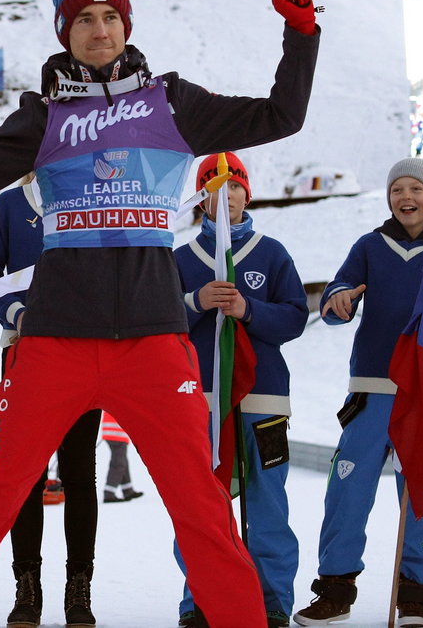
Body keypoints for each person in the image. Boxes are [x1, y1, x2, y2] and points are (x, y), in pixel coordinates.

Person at [0, 0, 320, 627]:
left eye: (110, 17)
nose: (99, 30)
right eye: (84, 20)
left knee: (201, 508)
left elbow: (280, 115)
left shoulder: (171, 104)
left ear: (127, 27)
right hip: (56, 339)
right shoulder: (44, 115)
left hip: (153, 340)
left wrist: (301, 34)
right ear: (65, 31)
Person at [293, 158, 423, 628]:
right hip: (370, 389)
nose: (406, 197)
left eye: (417, 188)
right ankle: (335, 590)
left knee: (420, 496)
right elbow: (339, 291)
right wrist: (339, 302)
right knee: (347, 492)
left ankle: (414, 595)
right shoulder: (371, 245)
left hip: (422, 389)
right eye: (398, 190)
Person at [173, 153, 307, 628]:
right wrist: (195, 302)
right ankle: (201, 600)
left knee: (267, 501)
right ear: (201, 199)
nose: (225, 196)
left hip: (263, 399)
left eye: (233, 187)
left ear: (246, 194)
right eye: (214, 187)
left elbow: (294, 318)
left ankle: (271, 601)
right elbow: (159, 322)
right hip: (199, 402)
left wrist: (249, 309)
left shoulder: (271, 253)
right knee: (200, 505)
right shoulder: (183, 258)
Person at [0, 174, 104, 626]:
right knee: (25, 473)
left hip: (85, 351)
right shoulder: (10, 205)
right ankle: (27, 587)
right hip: (25, 352)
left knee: (79, 472)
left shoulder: (92, 196)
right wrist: (18, 312)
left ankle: (78, 587)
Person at [100, 411, 142, 503]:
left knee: (123, 462)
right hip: (116, 434)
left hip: (113, 432)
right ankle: (109, 493)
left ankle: (128, 490)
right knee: (119, 464)